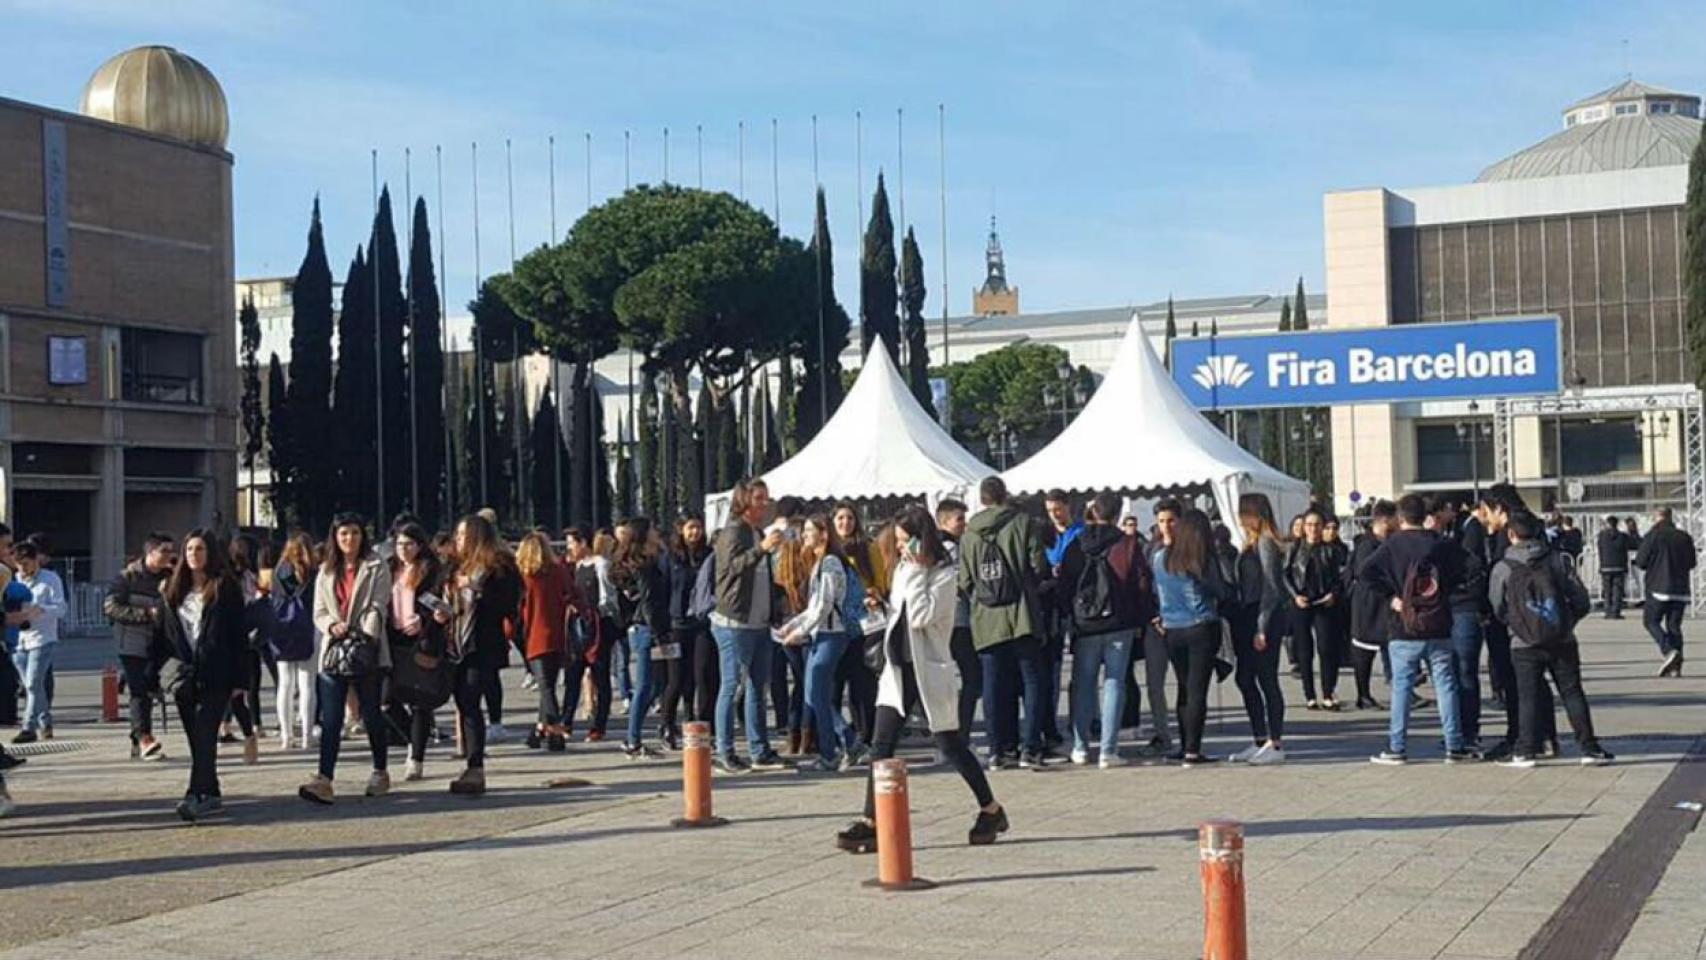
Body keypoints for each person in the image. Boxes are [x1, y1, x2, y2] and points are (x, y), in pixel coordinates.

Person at [835, 506, 1008, 853]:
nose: (900, 548)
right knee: (881, 745)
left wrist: (915, 569)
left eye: (905, 540)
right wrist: (905, 573)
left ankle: (991, 808)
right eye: (897, 541)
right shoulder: (902, 569)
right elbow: (899, 609)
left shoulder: (945, 575)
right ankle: (872, 820)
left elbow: (920, 616)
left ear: (921, 538)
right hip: (898, 668)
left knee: (950, 744)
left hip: (929, 669)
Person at [1488, 511, 1613, 768]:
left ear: (1511, 535)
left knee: (1527, 695)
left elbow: (1497, 605)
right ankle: (1589, 747)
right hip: (1562, 639)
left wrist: (1516, 625)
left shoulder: (1504, 567)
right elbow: (1581, 600)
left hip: (1523, 643)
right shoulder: (1557, 561)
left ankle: (1525, 750)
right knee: (1572, 691)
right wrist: (1565, 622)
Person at [1360, 494, 1474, 765]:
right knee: (1446, 685)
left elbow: (1365, 574)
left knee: (1401, 687)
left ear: (1400, 518)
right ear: (1425, 516)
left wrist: (1392, 598)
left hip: (1404, 626)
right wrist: (1445, 591)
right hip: (1439, 624)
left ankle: (1397, 747)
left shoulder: (1392, 546)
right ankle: (1454, 744)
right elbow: (1472, 567)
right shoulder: (1441, 544)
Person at [297, 514, 394, 805]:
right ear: (335, 538)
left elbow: (379, 604)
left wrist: (363, 633)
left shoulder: (376, 565)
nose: (349, 539)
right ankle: (324, 778)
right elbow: (318, 611)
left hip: (365, 648)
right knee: (331, 718)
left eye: (353, 533)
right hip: (333, 651)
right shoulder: (326, 570)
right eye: (343, 534)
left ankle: (380, 770)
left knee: (371, 712)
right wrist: (331, 626)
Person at [959, 476, 1051, 770]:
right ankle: (1030, 747)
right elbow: (1038, 565)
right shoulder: (1024, 522)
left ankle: (998, 749)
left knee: (993, 685)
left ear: (982, 499)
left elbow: (965, 581)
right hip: (1022, 614)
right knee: (1032, 680)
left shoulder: (969, 533)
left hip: (987, 618)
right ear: (1004, 494)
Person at [156, 529, 247, 821]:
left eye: (200, 549)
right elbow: (161, 636)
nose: (194, 555)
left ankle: (195, 794)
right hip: (184, 676)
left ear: (210, 554)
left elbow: (238, 636)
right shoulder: (172, 589)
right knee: (197, 740)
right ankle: (212, 792)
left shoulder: (224, 588)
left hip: (216, 674)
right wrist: (153, 674)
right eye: (190, 549)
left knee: (207, 732)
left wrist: (240, 681)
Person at [1066, 492, 1155, 768]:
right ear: (1117, 514)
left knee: (1084, 683)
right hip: (1120, 622)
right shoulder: (1127, 544)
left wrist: (1072, 615)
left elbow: (1065, 584)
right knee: (1115, 681)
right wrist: (1142, 618)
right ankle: (1108, 750)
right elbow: (1141, 583)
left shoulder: (1076, 544)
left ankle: (1080, 747)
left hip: (1085, 623)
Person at [710, 478, 788, 774]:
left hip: (758, 621)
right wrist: (762, 549)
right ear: (744, 502)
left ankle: (759, 749)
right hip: (735, 621)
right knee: (732, 685)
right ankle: (724, 751)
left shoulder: (755, 531)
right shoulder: (733, 531)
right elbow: (732, 569)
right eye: (759, 498)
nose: (764, 503)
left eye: (766, 498)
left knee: (758, 686)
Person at [443, 514, 522, 793]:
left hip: (483, 643)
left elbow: (508, 604)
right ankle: (471, 764)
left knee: (471, 696)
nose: (458, 540)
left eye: (464, 535)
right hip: (455, 642)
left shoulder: (499, 566)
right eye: (457, 535)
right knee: (464, 703)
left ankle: (476, 766)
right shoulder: (454, 565)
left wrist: (475, 588)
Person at [1476, 485, 1556, 761]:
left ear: (1499, 509)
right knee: (1536, 680)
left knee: (1514, 680)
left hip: (1511, 618)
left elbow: (1500, 575)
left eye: (1487, 511)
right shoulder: (1534, 526)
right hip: (1540, 613)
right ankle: (1546, 736)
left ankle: (1520, 737)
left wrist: (1493, 612)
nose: (1485, 518)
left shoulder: (1507, 535)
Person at [1149, 507, 1230, 766]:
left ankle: (1184, 745)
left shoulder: (1159, 557)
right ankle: (1193, 750)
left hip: (1172, 628)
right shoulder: (1199, 559)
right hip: (1200, 626)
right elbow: (1219, 591)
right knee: (1197, 691)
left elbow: (1156, 591)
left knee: (1183, 688)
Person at [778, 514, 858, 772]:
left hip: (832, 635)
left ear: (824, 534)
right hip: (821, 634)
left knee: (816, 694)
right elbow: (814, 606)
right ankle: (844, 742)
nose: (805, 536)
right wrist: (793, 625)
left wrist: (800, 631)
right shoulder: (819, 563)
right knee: (814, 694)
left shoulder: (831, 562)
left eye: (810, 531)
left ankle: (834, 749)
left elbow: (824, 605)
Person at [385, 522, 455, 780]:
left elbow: (440, 604)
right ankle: (412, 740)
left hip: (423, 639)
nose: (404, 549)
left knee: (419, 701)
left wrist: (428, 620)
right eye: (400, 544)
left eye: (409, 544)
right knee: (385, 699)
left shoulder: (431, 570)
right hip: (394, 639)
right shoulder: (390, 568)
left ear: (420, 545)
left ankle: (416, 757)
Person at [104, 532, 176, 761]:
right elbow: (111, 608)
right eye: (164, 551)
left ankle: (137, 738)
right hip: (131, 642)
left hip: (159, 644)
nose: (168, 556)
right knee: (140, 689)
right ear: (150, 552)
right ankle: (145, 736)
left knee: (151, 686)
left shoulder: (170, 578)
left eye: (171, 551)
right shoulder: (127, 577)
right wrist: (145, 614)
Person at [1230, 493, 1287, 764]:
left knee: (1266, 678)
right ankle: (1259, 737)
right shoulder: (1251, 543)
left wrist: (1262, 627)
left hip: (1263, 616)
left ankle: (1274, 742)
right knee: (1245, 677)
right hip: (1249, 614)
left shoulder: (1266, 543)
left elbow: (1272, 588)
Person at [612, 518, 669, 759]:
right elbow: (648, 603)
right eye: (653, 529)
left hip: (644, 627)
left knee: (656, 684)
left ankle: (634, 736)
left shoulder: (646, 561)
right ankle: (632, 739)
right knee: (646, 685)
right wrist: (659, 634)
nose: (657, 532)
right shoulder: (643, 566)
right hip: (647, 629)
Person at [832, 501, 884, 769]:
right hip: (835, 626)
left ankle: (865, 734)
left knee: (862, 684)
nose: (845, 523)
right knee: (833, 685)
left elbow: (880, 582)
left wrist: (873, 594)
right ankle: (840, 740)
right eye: (840, 518)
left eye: (849, 518)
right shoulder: (829, 551)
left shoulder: (868, 548)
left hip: (863, 626)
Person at [1283, 509, 1344, 710]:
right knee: (1304, 650)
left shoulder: (1331, 550)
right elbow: (1285, 575)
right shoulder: (1294, 548)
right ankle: (1309, 694)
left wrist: (1332, 595)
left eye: (1317, 525)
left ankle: (1328, 692)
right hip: (1302, 602)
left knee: (1326, 648)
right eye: (1309, 525)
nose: (1313, 529)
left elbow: (1339, 578)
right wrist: (1295, 595)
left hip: (1323, 603)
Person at [516, 531, 571, 753]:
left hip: (534, 635)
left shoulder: (524, 577)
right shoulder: (559, 572)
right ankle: (540, 729)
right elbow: (571, 593)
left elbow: (518, 610)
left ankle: (555, 730)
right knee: (548, 682)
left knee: (545, 686)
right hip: (557, 634)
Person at [663, 515, 714, 750]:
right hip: (676, 625)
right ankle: (668, 725)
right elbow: (662, 589)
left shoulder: (708, 554)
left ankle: (705, 726)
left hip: (702, 623)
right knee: (676, 679)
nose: (695, 532)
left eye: (698, 527)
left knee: (703, 674)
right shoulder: (671, 557)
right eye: (690, 528)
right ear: (681, 530)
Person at [8, 541, 64, 744]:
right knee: (32, 685)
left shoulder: (50, 579)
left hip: (43, 637)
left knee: (32, 682)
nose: (23, 569)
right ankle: (45, 720)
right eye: (18, 565)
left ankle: (28, 727)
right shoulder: (12, 580)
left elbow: (61, 608)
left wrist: (41, 610)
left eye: (26, 563)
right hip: (19, 638)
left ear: (35, 560)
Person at [936, 499, 982, 743]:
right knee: (972, 677)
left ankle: (953, 733)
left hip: (945, 622)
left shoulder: (935, 546)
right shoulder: (951, 548)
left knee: (953, 679)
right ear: (944, 521)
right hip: (957, 621)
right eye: (959, 519)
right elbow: (960, 582)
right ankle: (960, 734)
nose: (964, 525)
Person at [1039, 489, 1081, 756]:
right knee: (1051, 671)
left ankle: (1084, 722)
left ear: (1068, 507)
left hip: (1074, 606)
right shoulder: (1047, 536)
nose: (1055, 514)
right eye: (1050, 510)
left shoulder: (1079, 533)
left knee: (1081, 671)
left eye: (1058, 508)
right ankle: (1050, 725)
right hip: (1051, 608)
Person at [268, 534, 319, 750]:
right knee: (308, 685)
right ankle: (308, 735)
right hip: (307, 627)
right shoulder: (315, 573)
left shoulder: (279, 572)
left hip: (282, 629)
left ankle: (286, 736)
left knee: (285, 684)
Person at [565, 527, 615, 741]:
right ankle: (566, 721)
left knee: (600, 676)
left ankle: (598, 726)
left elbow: (607, 597)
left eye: (571, 544)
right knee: (573, 676)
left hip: (597, 627)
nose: (569, 549)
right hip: (578, 629)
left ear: (583, 543)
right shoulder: (576, 567)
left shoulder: (600, 564)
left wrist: (594, 612)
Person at [1635, 506, 1697, 678]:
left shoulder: (1653, 536)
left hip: (1658, 587)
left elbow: (1641, 561)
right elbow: (1692, 562)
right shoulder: (1684, 537)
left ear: (1657, 517)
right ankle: (1677, 666)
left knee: (1651, 621)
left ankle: (1668, 650)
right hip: (1680, 587)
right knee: (1674, 625)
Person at [770, 498, 811, 756]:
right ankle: (806, 735)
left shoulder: (777, 563)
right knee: (806, 684)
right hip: (803, 628)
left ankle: (793, 733)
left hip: (781, 629)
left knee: (797, 682)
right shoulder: (808, 565)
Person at [1347, 501, 1397, 710]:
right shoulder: (1367, 544)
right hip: (1368, 603)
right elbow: (1364, 573)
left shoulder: (1387, 541)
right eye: (1395, 519)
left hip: (1383, 603)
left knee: (1387, 645)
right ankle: (1363, 694)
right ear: (1385, 520)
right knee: (1364, 649)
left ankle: (1399, 688)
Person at [1597, 515, 1634, 620]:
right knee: (1617, 590)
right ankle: (1616, 611)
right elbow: (1631, 544)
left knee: (1607, 589)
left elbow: (1600, 547)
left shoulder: (1602, 536)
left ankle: (1607, 611)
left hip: (1605, 566)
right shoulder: (1622, 536)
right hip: (1619, 565)